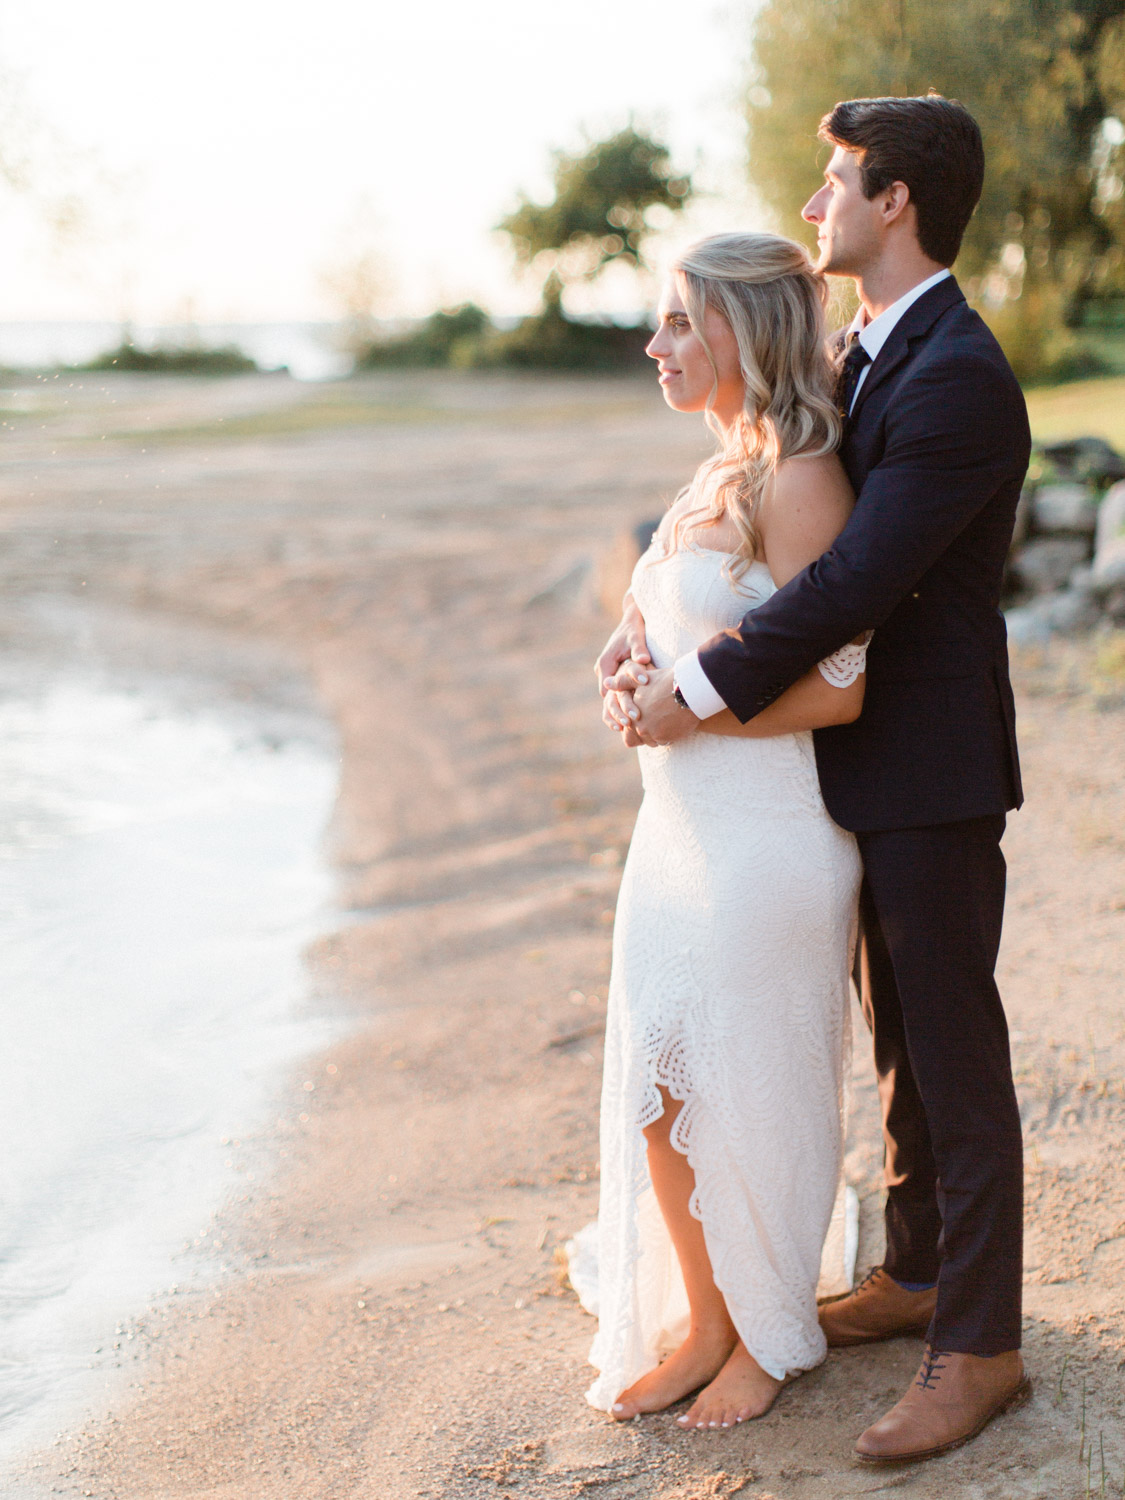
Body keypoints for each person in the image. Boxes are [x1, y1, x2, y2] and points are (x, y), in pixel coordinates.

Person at [602, 94, 1032, 1464]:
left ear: (895, 201)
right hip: (844, 774)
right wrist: (645, 635)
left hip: (931, 767)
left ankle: (981, 1349)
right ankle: (913, 1272)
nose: (814, 205)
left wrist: (699, 688)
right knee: (903, 1047)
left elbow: (854, 579)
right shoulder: (864, 355)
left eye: (837, 181)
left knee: (956, 1061)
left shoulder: (955, 372)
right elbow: (763, 482)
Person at [585, 229, 872, 1429]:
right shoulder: (713, 474)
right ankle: (704, 1319)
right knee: (660, 1089)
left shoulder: (802, 477)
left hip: (769, 843)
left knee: (754, 1091)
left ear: (741, 334)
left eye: (678, 324)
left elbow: (843, 688)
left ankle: (767, 1330)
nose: (656, 344)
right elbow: (672, 618)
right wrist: (623, 657)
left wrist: (682, 713)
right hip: (677, 843)